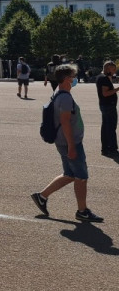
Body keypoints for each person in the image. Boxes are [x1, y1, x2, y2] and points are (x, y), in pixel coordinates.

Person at [31, 65, 104, 222]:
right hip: (69, 143)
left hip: (64, 142)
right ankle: (82, 211)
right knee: (81, 177)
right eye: (73, 76)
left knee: (69, 174)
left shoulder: (59, 93)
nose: (75, 79)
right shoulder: (65, 98)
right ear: (66, 79)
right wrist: (71, 146)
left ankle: (41, 196)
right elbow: (65, 122)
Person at [96, 61, 117, 157]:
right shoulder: (104, 78)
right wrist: (117, 89)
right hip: (108, 105)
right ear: (108, 69)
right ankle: (111, 148)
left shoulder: (101, 77)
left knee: (106, 127)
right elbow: (105, 93)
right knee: (110, 127)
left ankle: (105, 148)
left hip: (105, 105)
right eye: (113, 69)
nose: (114, 71)